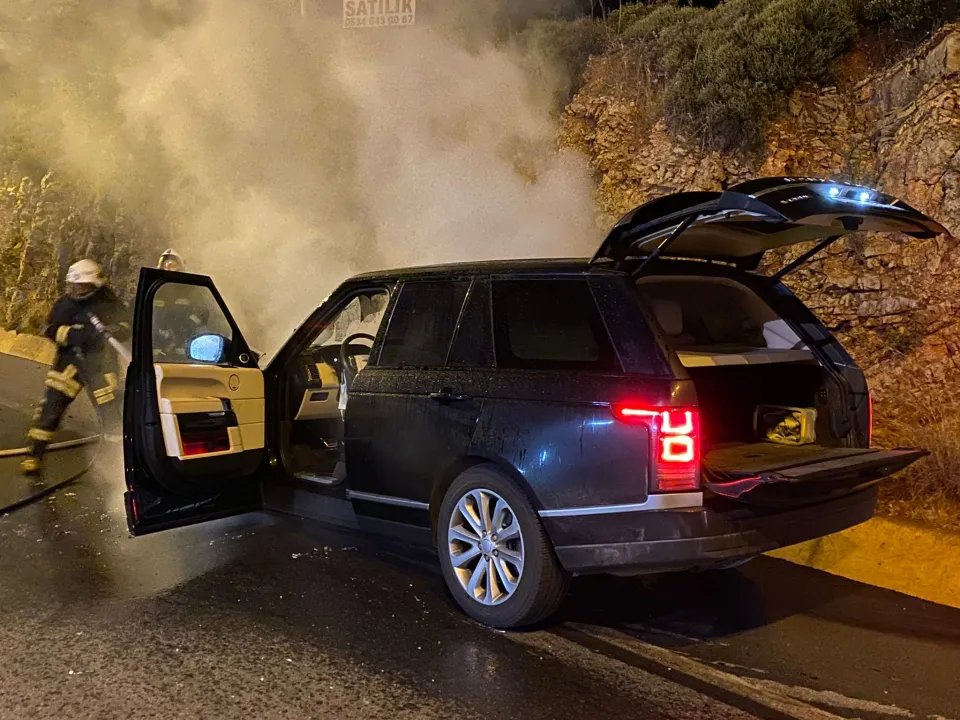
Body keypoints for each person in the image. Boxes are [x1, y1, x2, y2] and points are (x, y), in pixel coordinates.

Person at [21, 259, 130, 475]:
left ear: (93, 285)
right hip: (68, 364)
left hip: (100, 366)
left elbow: (126, 326)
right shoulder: (65, 304)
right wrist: (75, 334)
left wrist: (113, 330)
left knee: (111, 415)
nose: (74, 290)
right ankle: (35, 453)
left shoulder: (109, 303)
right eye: (72, 285)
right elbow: (51, 330)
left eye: (79, 286)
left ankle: (117, 463)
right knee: (51, 409)